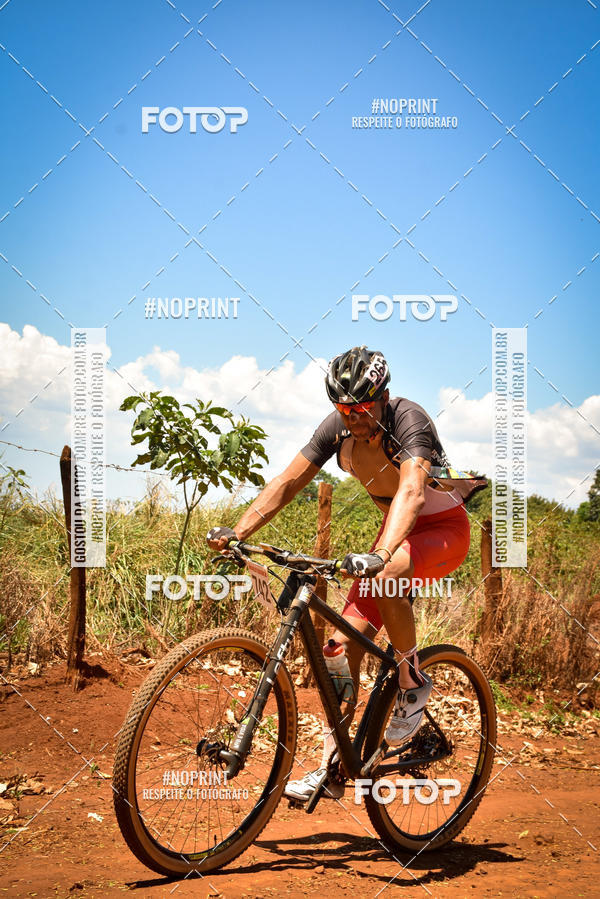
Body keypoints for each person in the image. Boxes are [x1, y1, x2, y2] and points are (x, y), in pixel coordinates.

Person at [206, 346, 475, 803]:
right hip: (393, 538)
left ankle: (412, 682)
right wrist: (238, 531)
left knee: (386, 572)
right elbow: (289, 482)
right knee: (339, 648)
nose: (352, 418)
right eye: (343, 409)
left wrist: (382, 552)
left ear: (383, 396)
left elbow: (411, 493)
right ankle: (334, 766)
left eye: (362, 407)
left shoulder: (410, 420)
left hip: (442, 531)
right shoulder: (339, 428)